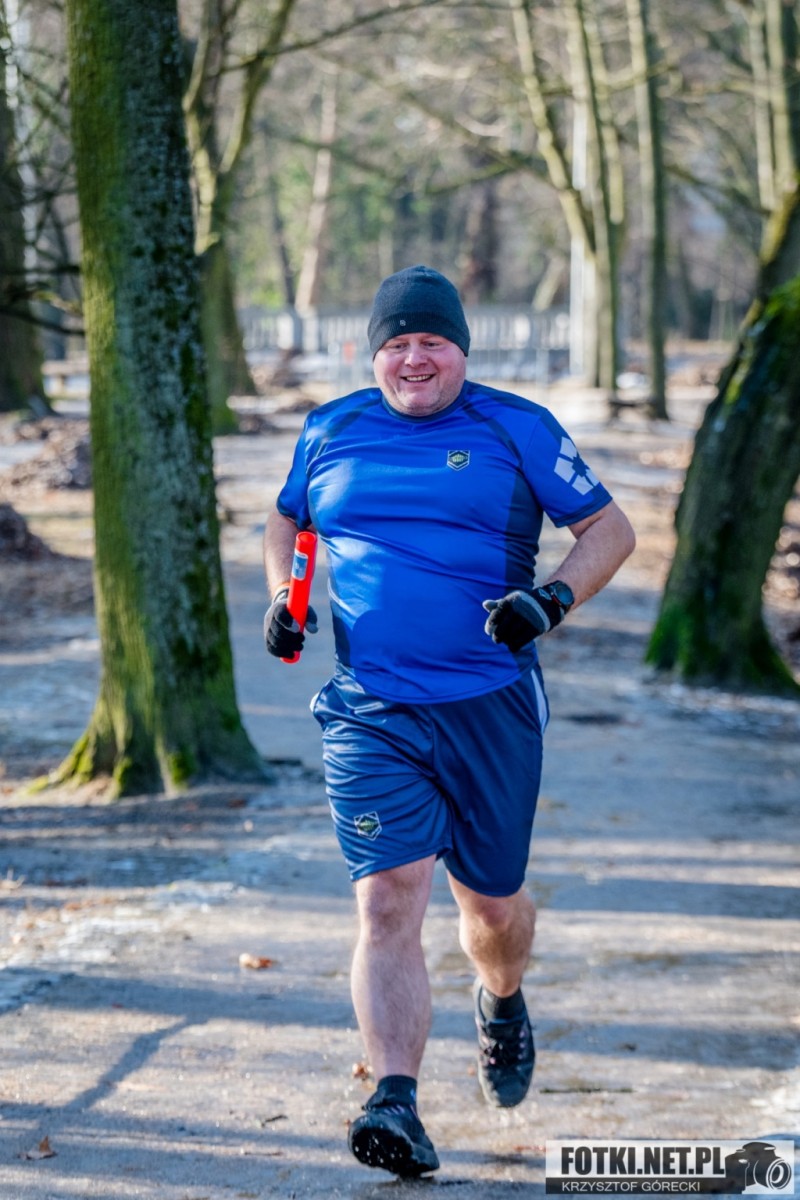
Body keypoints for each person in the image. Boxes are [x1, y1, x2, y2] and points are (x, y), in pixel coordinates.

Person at [262, 265, 636, 1178]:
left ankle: (501, 997)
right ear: (374, 353)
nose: (414, 358)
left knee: (490, 905)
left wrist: (550, 601)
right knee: (387, 897)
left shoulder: (517, 427)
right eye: (397, 343)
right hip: (371, 708)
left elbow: (609, 530)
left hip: (490, 706)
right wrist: (285, 596)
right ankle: (394, 1099)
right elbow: (288, 522)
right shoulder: (330, 429)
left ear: (460, 349)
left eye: (431, 341)